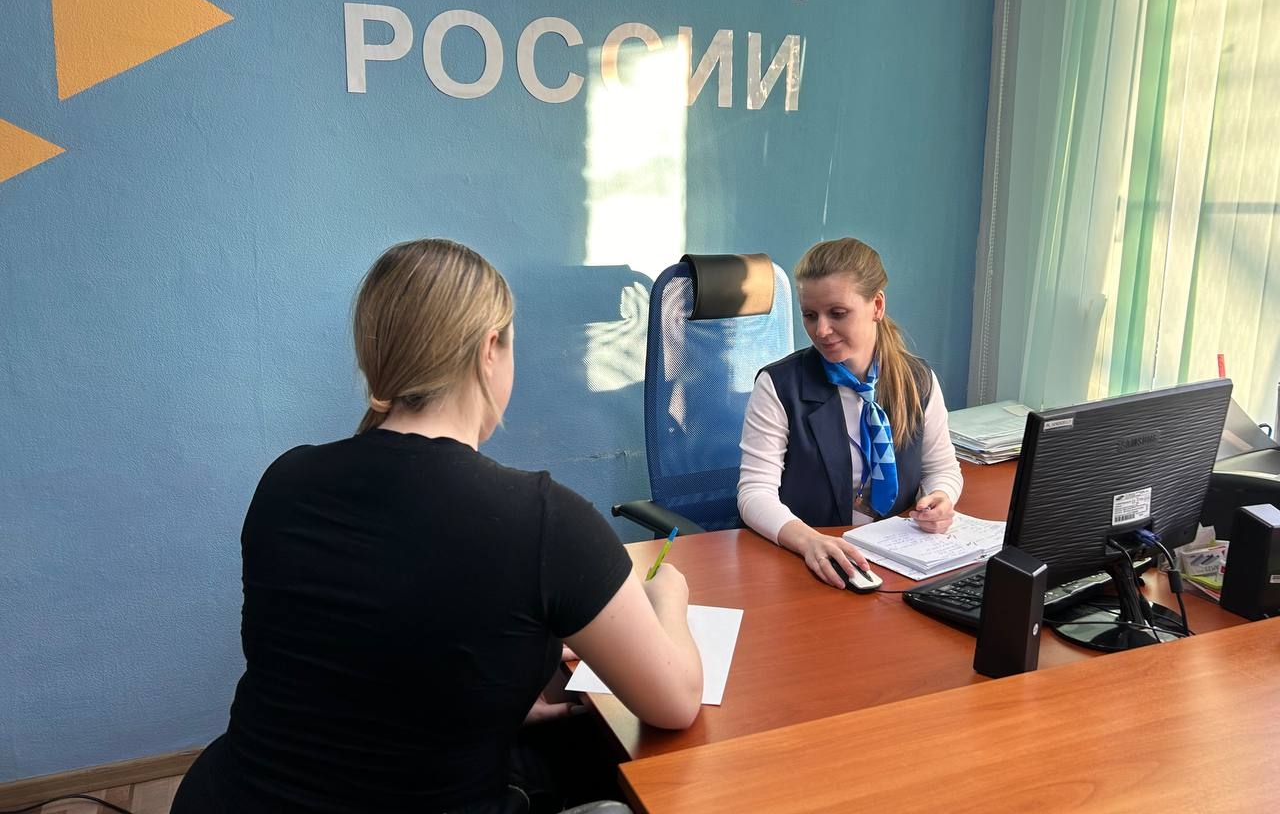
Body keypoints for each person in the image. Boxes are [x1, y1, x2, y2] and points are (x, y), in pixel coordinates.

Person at [173, 238, 702, 814]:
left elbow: (353, 657)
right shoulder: (544, 519)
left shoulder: (285, 480)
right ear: (489, 350)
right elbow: (675, 703)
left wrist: (496, 703)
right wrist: (666, 598)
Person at [737, 237, 963, 588]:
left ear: (877, 305)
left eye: (837, 313)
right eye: (810, 315)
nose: (821, 330)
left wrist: (942, 498)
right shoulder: (779, 385)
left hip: (897, 560)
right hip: (810, 562)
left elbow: (942, 468)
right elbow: (754, 493)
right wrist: (809, 541)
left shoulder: (918, 380)